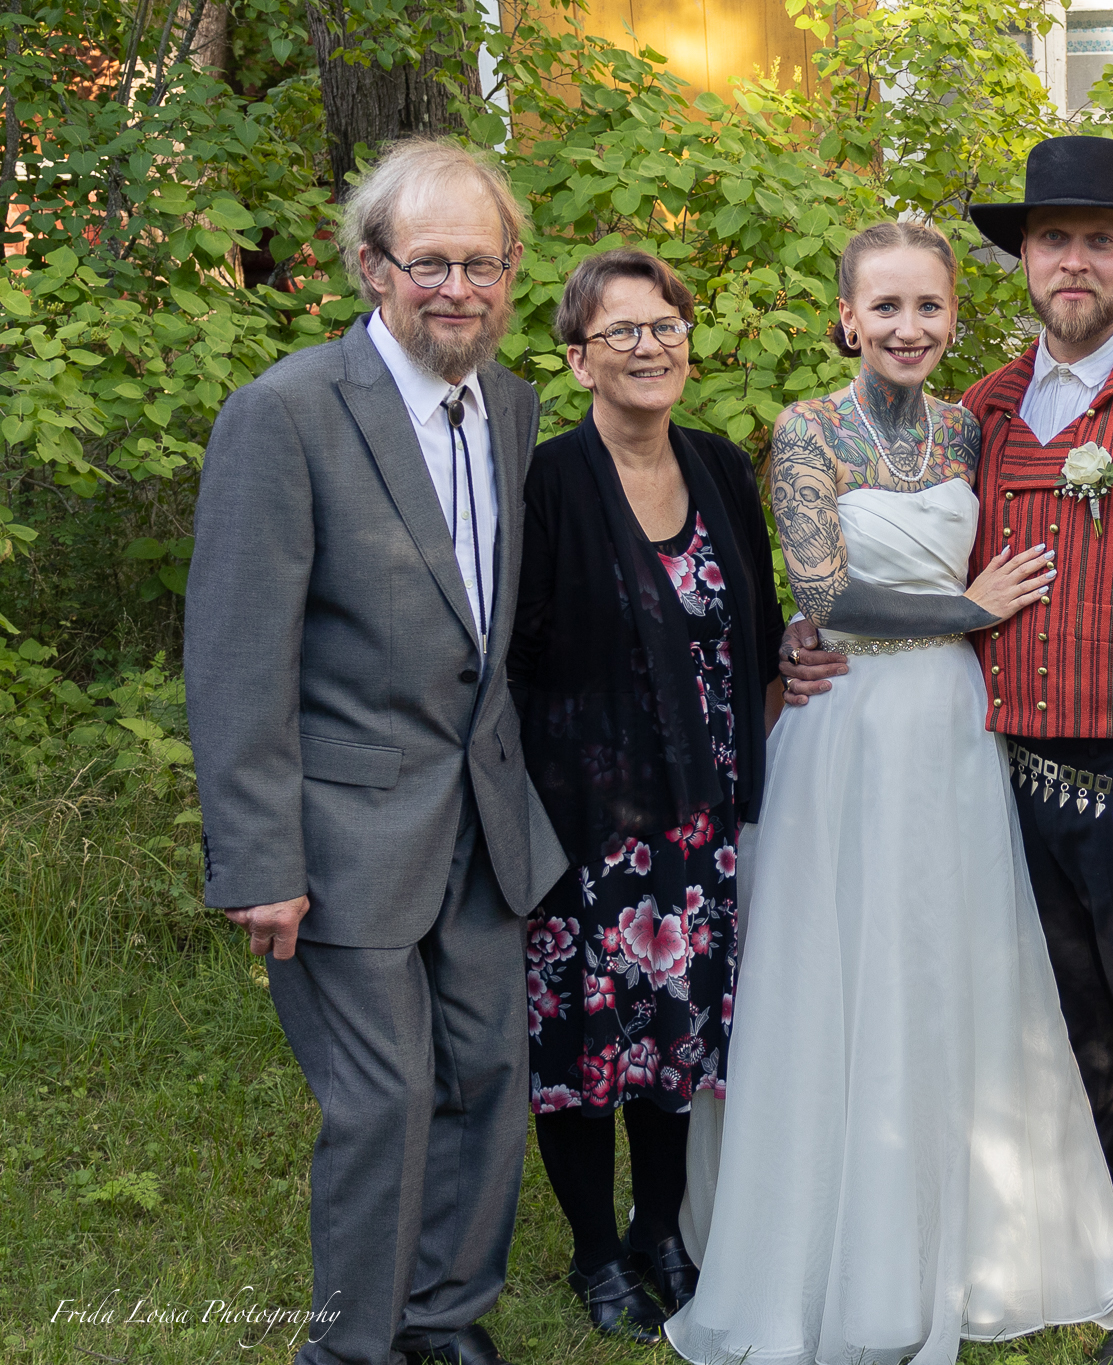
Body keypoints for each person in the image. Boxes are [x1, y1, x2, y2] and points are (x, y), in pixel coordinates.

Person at [786, 136, 1113, 1363]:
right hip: (995, 773)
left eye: (1098, 241)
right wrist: (805, 638)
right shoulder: (985, 411)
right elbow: (902, 569)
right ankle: (1078, 1230)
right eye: (1051, 239)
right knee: (1053, 1029)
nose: (1072, 261)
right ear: (1021, 260)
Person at [665, 220, 1113, 1365]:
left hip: (951, 729)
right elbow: (824, 595)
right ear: (847, 318)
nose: (906, 327)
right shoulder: (806, 431)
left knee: (952, 962)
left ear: (951, 317)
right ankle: (825, 1236)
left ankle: (973, 1232)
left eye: (927, 306)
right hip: (848, 725)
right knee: (840, 967)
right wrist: (968, 612)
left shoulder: (968, 428)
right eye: (883, 307)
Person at [183, 137, 567, 1365]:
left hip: (482, 822)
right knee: (385, 1098)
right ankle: (350, 1348)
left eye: (480, 264)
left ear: (510, 273)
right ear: (371, 267)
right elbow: (237, 657)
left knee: (487, 1079)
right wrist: (258, 861)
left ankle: (443, 1323)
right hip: (343, 832)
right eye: (429, 263)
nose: (456, 288)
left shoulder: (511, 406)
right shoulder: (287, 413)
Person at [507, 249, 786, 1343]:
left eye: (666, 325)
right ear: (579, 360)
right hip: (585, 825)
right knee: (585, 1049)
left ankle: (660, 1230)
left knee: (677, 1035)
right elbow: (513, 657)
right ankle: (593, 1252)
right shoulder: (547, 482)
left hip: (700, 820)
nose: (649, 347)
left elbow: (758, 628)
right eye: (621, 331)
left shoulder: (718, 465)